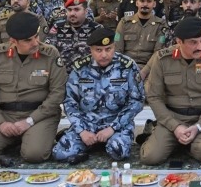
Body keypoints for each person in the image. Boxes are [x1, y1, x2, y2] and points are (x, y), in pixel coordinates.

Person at [0, 11, 67, 164]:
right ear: (13, 40)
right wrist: (0, 122)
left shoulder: (50, 54)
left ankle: (31, 137)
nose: (35, 42)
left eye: (36, 36)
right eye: (28, 40)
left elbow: (57, 94)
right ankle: (15, 139)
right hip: (6, 115)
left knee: (34, 155)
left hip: (39, 116)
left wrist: (30, 121)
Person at [53, 27, 144, 163]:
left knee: (118, 152)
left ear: (114, 47)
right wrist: (81, 130)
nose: (104, 55)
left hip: (116, 124)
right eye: (98, 50)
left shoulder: (127, 67)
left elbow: (137, 101)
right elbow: (69, 102)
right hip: (87, 123)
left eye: (108, 49)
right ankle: (85, 140)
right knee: (60, 154)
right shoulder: (80, 68)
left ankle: (107, 142)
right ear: (91, 49)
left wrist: (112, 128)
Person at [141, 17, 201, 165]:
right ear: (179, 42)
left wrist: (199, 125)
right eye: (193, 42)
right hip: (172, 118)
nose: (200, 46)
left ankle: (184, 143)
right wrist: (175, 126)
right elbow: (154, 96)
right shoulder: (163, 59)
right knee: (150, 157)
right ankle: (168, 138)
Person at [114, 0, 167, 81]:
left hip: (150, 69)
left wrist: (144, 72)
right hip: (125, 67)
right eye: (142, 1)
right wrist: (125, 69)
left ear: (154, 4)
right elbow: (117, 50)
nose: (145, 4)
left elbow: (158, 53)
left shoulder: (161, 25)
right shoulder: (124, 22)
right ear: (136, 3)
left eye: (149, 1)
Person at [45, 0, 102, 74]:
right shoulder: (57, 27)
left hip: (89, 75)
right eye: (69, 10)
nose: (72, 13)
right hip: (62, 75)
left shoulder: (96, 29)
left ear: (86, 11)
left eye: (76, 10)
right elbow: (48, 52)